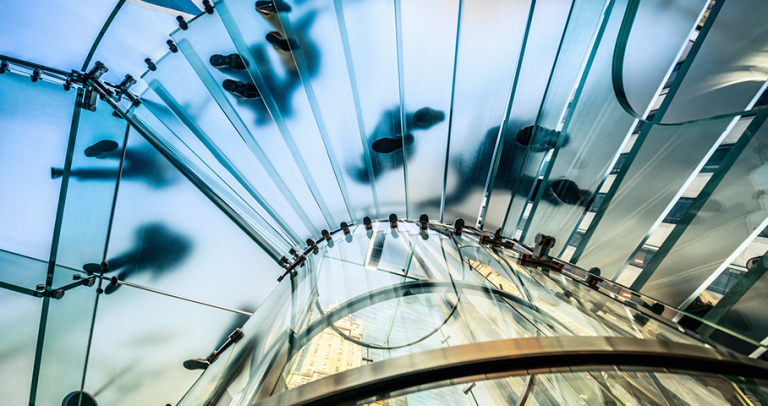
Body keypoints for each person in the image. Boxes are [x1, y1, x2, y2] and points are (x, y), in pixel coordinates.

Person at [83, 223, 192, 294]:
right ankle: (117, 275)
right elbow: (172, 263)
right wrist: (160, 271)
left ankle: (111, 270)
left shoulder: (171, 240)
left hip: (148, 253)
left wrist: (160, 270)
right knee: (129, 266)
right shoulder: (174, 242)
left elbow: (144, 230)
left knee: (126, 260)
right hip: (150, 256)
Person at [348, 106, 445, 183]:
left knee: (404, 123)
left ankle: (423, 120)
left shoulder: (387, 164)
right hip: (392, 136)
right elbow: (378, 129)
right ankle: (423, 120)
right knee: (405, 122)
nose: (362, 157)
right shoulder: (372, 150)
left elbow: (377, 130)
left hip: (398, 146)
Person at [51, 140, 173, 187]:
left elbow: (159, 183)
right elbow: (159, 183)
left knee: (109, 172)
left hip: (146, 165)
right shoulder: (173, 173)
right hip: (146, 165)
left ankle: (103, 154)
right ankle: (65, 172)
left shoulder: (172, 172)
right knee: (108, 173)